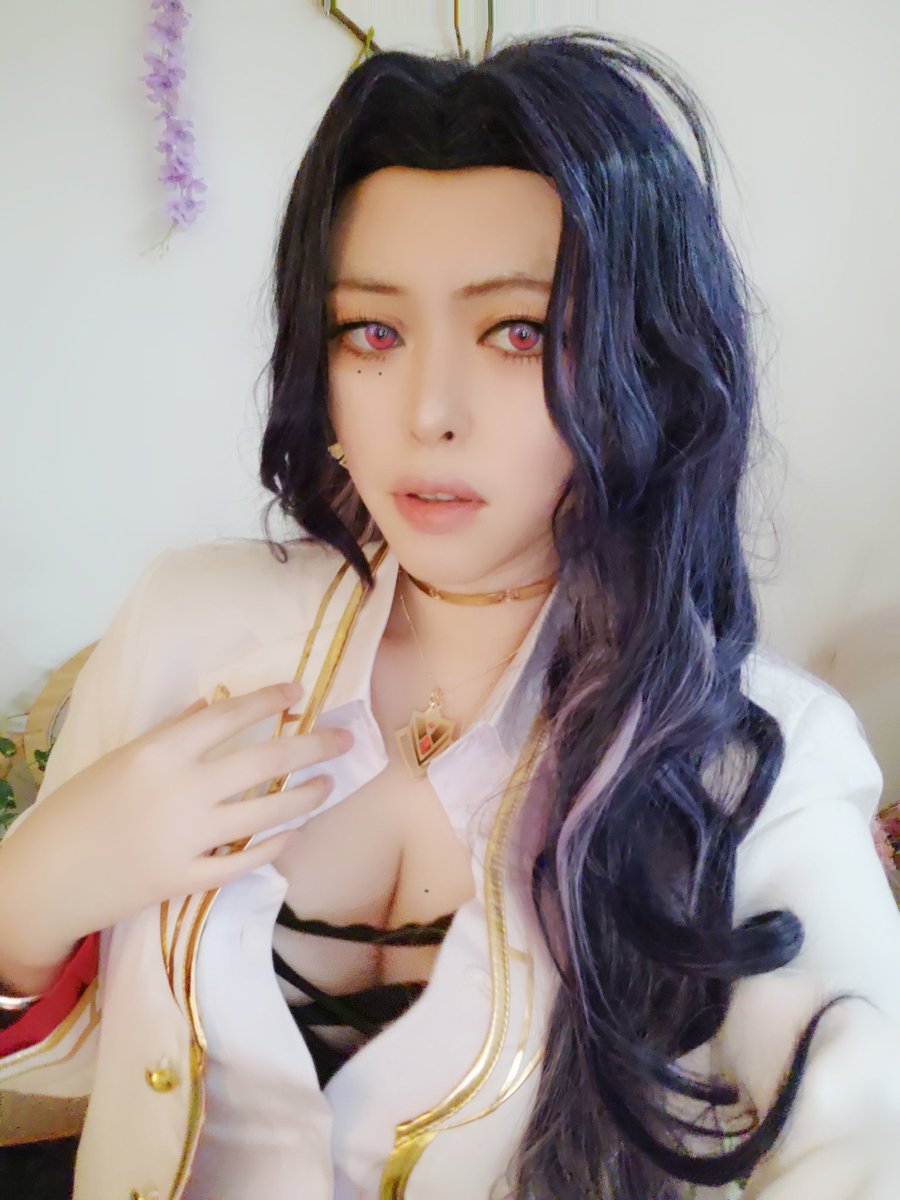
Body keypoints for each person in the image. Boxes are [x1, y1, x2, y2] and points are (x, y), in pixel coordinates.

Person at [1, 28, 898, 1200]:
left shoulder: (754, 764)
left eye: (518, 331)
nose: (429, 412)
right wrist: (31, 892)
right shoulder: (188, 625)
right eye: (372, 331)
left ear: (645, 361)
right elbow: (75, 1071)